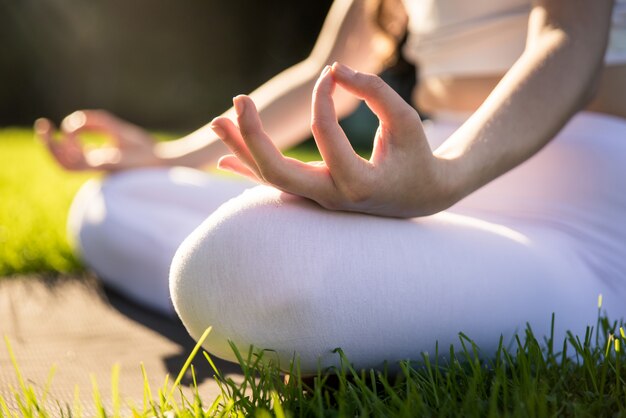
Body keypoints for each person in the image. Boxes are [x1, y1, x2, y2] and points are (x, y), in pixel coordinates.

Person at [37, 0, 626, 373]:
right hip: (427, 179)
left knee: (238, 260)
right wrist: (169, 157)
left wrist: (445, 175)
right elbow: (333, 64)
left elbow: (568, 41)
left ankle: (305, 300)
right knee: (112, 204)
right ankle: (324, 302)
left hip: (568, 211)